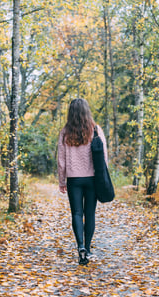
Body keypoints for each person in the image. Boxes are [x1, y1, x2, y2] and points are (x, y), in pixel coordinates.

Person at [57, 98, 108, 265]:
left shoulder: (65, 132)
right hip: (92, 178)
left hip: (74, 179)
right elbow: (104, 155)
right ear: (87, 111)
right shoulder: (95, 129)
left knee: (77, 213)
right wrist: (103, 177)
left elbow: (61, 159)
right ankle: (88, 247)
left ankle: (80, 247)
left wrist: (62, 180)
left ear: (70, 113)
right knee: (90, 213)